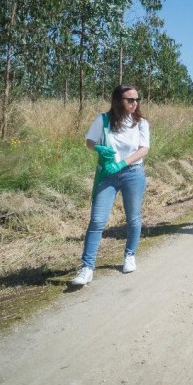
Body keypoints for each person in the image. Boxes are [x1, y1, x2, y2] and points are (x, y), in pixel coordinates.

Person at [71, 85, 150, 286]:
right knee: (97, 220)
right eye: (130, 100)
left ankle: (130, 255)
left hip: (133, 173)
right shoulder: (103, 120)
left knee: (133, 217)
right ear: (118, 100)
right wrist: (97, 147)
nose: (135, 103)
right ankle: (87, 268)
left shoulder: (141, 123)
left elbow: (144, 149)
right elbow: (89, 140)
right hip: (107, 174)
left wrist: (123, 163)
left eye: (137, 100)